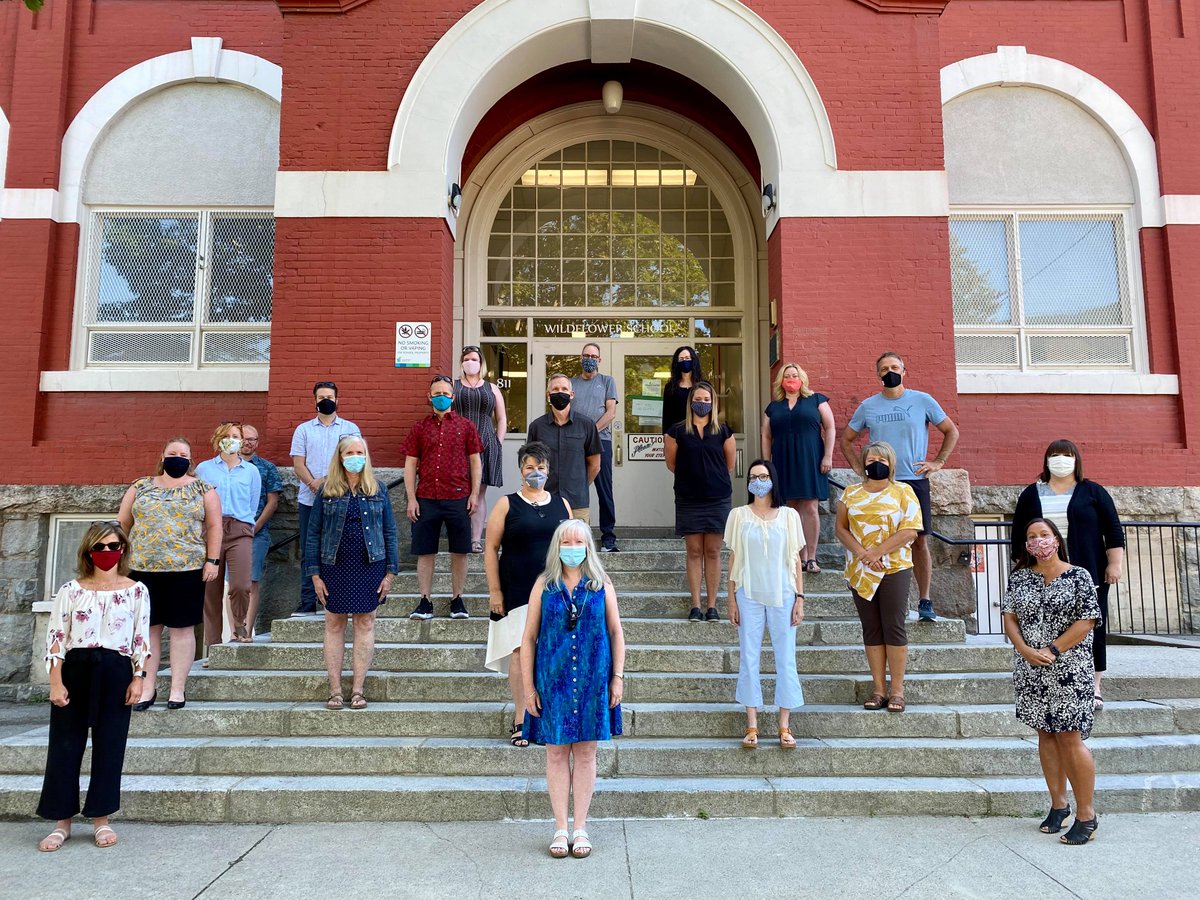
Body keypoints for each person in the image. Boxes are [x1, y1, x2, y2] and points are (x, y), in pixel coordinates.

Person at [36, 522, 150, 852]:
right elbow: (56, 637)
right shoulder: (71, 590)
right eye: (98, 547)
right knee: (65, 745)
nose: (106, 553)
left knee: (110, 746)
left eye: (112, 546)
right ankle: (61, 823)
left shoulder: (137, 591)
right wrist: (55, 681)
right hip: (76, 668)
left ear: (123, 549)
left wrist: (139, 676)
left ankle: (101, 820)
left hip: (115, 669)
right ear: (88, 551)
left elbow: (141, 637)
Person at [521, 519, 625, 859]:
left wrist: (618, 677)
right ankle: (560, 827)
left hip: (593, 681)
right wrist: (528, 687)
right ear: (557, 546)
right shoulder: (544, 585)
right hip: (553, 682)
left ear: (588, 546)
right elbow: (529, 638)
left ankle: (580, 827)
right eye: (566, 541)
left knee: (586, 753)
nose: (572, 547)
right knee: (555, 753)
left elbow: (616, 632)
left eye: (578, 541)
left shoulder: (601, 585)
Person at [1002, 517, 1101, 845]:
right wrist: (1025, 650)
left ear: (1057, 539)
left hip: (1070, 671)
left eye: (1044, 535)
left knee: (1070, 738)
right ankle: (1059, 805)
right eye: (1032, 536)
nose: (1038, 541)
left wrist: (1053, 649)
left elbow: (1087, 620)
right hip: (1031, 670)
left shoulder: (1079, 576)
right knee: (1045, 735)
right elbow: (1009, 618)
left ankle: (1086, 814)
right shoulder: (1019, 578)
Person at [839, 351, 959, 622]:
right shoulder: (869, 406)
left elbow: (951, 430)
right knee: (878, 540)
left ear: (905, 371)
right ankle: (884, 595)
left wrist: (938, 461)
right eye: (884, 368)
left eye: (895, 367)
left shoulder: (922, 400)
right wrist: (859, 468)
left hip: (914, 481)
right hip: (882, 483)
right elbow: (846, 439)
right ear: (878, 374)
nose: (890, 371)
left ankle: (925, 599)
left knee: (918, 540)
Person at [1011, 440, 1124, 710]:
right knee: (1045, 626)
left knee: (1091, 625)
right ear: (1046, 460)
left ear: (1076, 459)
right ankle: (1046, 676)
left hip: (1088, 570)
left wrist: (1114, 564)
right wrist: (1026, 569)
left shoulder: (1093, 492)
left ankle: (1094, 685)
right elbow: (1018, 535)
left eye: (1067, 454)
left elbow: (1114, 530)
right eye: (1054, 455)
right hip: (1044, 574)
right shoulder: (1031, 493)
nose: (1060, 459)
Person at [118, 437, 221, 709]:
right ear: (162, 456)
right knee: (148, 630)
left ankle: (177, 689)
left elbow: (214, 526)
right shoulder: (140, 486)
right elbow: (123, 523)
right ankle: (147, 688)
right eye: (172, 453)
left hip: (186, 569)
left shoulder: (202, 488)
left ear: (190, 459)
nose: (178, 457)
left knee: (181, 629)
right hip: (142, 568)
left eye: (183, 454)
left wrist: (213, 560)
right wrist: (116, 560)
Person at [484, 441, 572, 745]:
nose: (536, 472)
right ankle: (521, 719)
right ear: (521, 470)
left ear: (549, 471)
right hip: (517, 589)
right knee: (521, 653)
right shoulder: (507, 504)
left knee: (553, 652)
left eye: (541, 467)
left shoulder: (563, 504)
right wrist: (495, 591)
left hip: (555, 592)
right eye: (530, 467)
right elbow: (491, 548)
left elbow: (574, 546)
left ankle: (548, 717)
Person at [306, 435, 399, 710]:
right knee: (334, 623)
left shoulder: (378, 489)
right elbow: (313, 533)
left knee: (365, 622)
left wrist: (390, 572)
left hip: (370, 566)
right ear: (340, 457)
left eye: (360, 452)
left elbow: (390, 531)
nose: (355, 457)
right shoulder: (326, 491)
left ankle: (358, 690)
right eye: (350, 452)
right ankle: (335, 690)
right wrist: (314, 574)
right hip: (333, 566)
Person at [724, 459, 806, 749]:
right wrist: (731, 597)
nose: (759, 481)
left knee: (786, 658)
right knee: (749, 656)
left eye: (764, 476)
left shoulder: (789, 516)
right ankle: (752, 724)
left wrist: (800, 597)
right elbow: (733, 559)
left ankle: (784, 725)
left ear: (773, 479)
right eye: (753, 476)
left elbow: (795, 560)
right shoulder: (738, 515)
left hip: (783, 593)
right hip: (748, 593)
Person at [835, 441, 922, 713]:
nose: (877, 463)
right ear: (863, 463)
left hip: (893, 567)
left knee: (893, 625)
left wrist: (878, 552)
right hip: (860, 570)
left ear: (891, 464)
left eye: (882, 459)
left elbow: (911, 531)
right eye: (871, 458)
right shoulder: (850, 493)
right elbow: (841, 529)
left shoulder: (903, 492)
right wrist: (863, 553)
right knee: (871, 628)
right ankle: (878, 690)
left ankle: (897, 691)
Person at [404, 374, 484, 621]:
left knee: (460, 551)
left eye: (445, 393)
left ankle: (457, 600)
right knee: (425, 552)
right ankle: (424, 601)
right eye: (436, 393)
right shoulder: (419, 428)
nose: (441, 397)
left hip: (458, 497)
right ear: (429, 396)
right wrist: (410, 498)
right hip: (426, 497)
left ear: (453, 396)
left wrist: (474, 495)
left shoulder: (466, 426)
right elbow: (410, 465)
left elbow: (475, 463)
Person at [664, 381, 735, 622]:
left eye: (706, 400)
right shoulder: (676, 431)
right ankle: (696, 605)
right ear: (690, 402)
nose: (702, 403)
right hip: (688, 498)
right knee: (694, 551)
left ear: (713, 403)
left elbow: (729, 465)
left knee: (713, 551)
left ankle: (712, 605)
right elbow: (672, 464)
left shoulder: (724, 431)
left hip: (718, 498)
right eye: (698, 399)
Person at [290, 380, 361, 616]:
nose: (326, 401)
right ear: (315, 400)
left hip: (341, 498)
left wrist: (328, 483)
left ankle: (339, 598)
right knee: (310, 549)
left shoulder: (350, 429)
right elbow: (298, 463)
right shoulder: (303, 430)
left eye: (330, 396)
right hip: (309, 499)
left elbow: (353, 462)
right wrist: (314, 484)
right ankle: (308, 600)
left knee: (342, 549)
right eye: (321, 397)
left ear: (337, 399)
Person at [761, 362, 835, 573]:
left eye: (794, 375)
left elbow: (829, 428)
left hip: (811, 459)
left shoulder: (816, 400)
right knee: (789, 509)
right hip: (783, 460)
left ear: (802, 378)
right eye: (787, 375)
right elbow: (766, 435)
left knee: (810, 507)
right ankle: (795, 557)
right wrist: (767, 465)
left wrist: (827, 456)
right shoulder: (773, 407)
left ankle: (811, 557)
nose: (791, 378)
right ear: (781, 381)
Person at [196, 422, 261, 650]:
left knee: (241, 585)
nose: (231, 439)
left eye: (235, 436)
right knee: (211, 591)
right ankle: (213, 644)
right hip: (212, 530)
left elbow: (253, 504)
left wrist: (245, 525)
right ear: (217, 439)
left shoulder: (251, 471)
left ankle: (239, 627)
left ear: (242, 441)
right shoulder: (204, 469)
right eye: (226, 435)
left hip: (240, 529)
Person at [526, 373, 601, 523]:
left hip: (577, 502)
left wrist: (579, 485)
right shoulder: (537, 427)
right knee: (545, 545)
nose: (560, 392)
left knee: (576, 545)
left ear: (571, 394)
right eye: (555, 389)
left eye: (564, 389)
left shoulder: (586, 425)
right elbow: (530, 465)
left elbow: (595, 465)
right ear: (548, 395)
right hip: (544, 500)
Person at [454, 345, 507, 553]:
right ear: (462, 362)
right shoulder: (454, 386)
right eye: (467, 359)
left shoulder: (492, 388)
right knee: (460, 493)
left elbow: (501, 418)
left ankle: (475, 539)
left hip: (486, 443)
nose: (470, 362)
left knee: (479, 493)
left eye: (474, 359)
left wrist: (498, 442)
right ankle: (461, 538)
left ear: (481, 363)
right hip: (458, 446)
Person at [570, 342, 620, 552]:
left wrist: (591, 433)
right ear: (580, 358)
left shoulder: (607, 381)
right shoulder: (571, 383)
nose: (589, 358)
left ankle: (608, 537)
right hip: (574, 442)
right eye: (586, 355)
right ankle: (571, 534)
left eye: (593, 355)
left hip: (601, 442)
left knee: (604, 490)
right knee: (573, 489)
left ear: (599, 360)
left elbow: (611, 413)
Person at [239, 423, 282, 639]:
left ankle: (245, 632)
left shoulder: (266, 468)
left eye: (253, 439)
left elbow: (272, 502)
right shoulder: (221, 468)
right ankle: (223, 638)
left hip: (256, 533)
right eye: (244, 438)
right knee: (227, 586)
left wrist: (255, 527)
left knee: (251, 582)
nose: (248, 443)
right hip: (226, 534)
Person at [661, 345, 704, 433]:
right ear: (677, 363)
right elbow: (667, 414)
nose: (684, 361)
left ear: (693, 360)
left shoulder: (704, 385)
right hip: (677, 434)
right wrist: (666, 434)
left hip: (699, 433)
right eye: (681, 359)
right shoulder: (670, 387)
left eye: (687, 358)